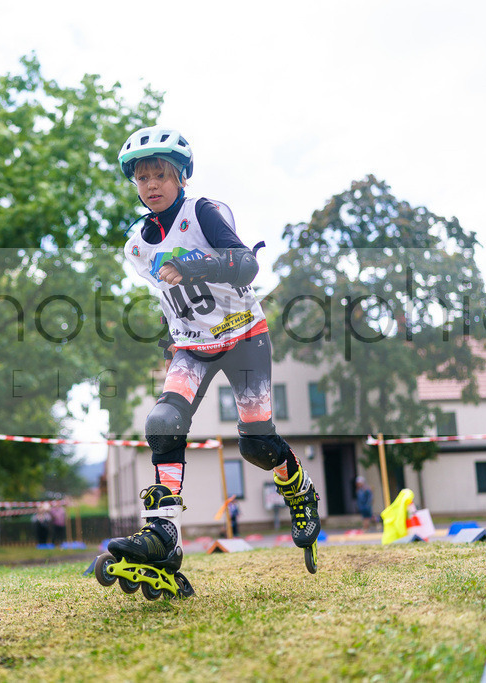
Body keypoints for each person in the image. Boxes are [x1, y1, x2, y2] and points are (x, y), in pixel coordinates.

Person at [107, 125, 320, 575]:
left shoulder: (201, 212)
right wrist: (171, 341)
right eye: (143, 178)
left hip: (244, 336)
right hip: (192, 345)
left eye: (161, 175)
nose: (152, 185)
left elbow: (246, 265)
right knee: (163, 421)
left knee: (257, 445)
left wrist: (192, 263)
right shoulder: (136, 246)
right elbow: (170, 300)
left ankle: (298, 489)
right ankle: (164, 531)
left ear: (181, 177)